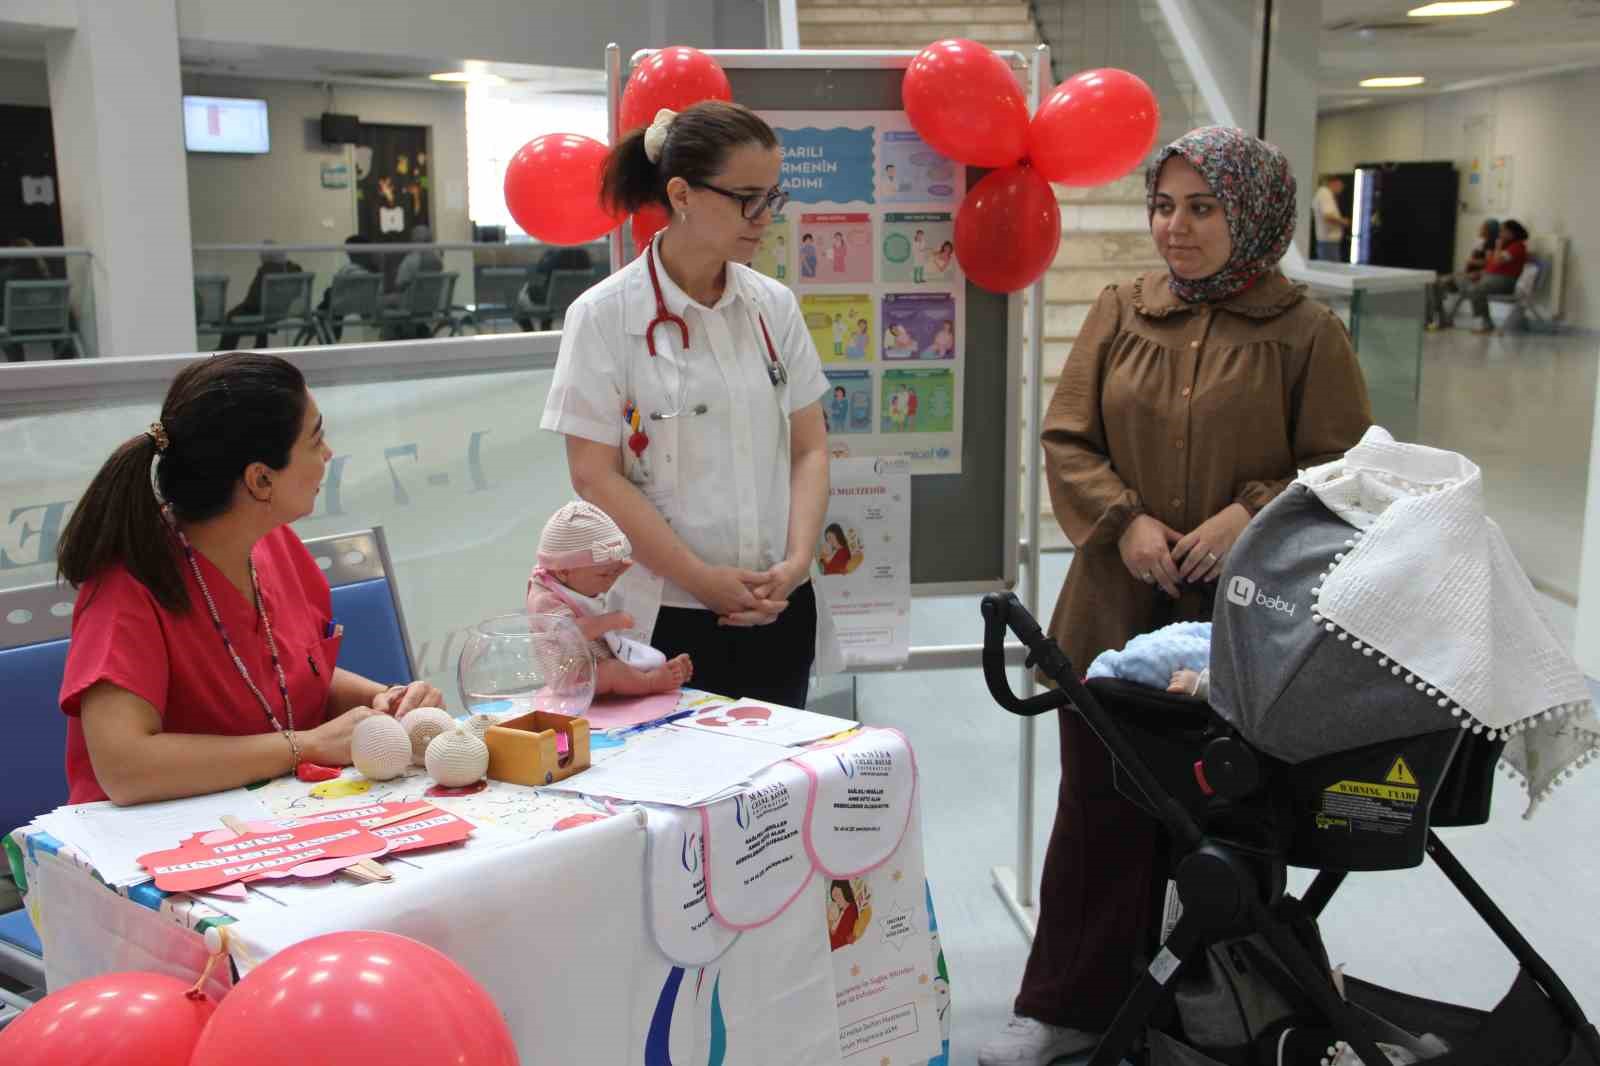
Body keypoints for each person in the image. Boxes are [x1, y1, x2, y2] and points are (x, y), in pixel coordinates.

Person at [978, 127, 1371, 1066]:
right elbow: (1068, 439)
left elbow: (1349, 467)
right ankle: (1072, 1008)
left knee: (1233, 817)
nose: (1175, 227)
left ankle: (1220, 1008)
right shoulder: (1122, 310)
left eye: (1202, 208)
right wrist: (1128, 524)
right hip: (1118, 608)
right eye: (1164, 205)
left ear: (1255, 215)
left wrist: (1252, 513)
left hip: (1249, 624)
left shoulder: (1305, 331)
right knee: (1099, 811)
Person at [541, 101, 836, 710]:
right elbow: (593, 475)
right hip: (669, 620)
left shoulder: (772, 306)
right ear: (682, 194)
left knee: (781, 795)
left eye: (771, 199)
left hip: (780, 607)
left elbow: (808, 446)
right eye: (746, 199)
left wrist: (798, 561)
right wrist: (702, 581)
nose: (764, 218)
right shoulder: (603, 317)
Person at [53, 352, 444, 806]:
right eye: (315, 440)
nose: (328, 454)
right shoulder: (130, 585)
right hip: (154, 847)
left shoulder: (275, 545)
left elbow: (291, 671)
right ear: (260, 479)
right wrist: (308, 745)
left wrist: (388, 701)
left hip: (278, 814)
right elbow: (125, 768)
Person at [526, 500, 693, 695]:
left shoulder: (570, 579)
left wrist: (614, 568)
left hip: (594, 660)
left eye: (615, 573)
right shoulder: (544, 600)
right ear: (563, 571)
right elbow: (568, 634)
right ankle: (651, 682)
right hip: (572, 675)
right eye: (604, 575)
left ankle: (659, 669)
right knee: (613, 671)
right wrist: (608, 621)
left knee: (627, 660)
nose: (610, 582)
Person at [1444, 218, 1529, 335]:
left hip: (1504, 282)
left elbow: (1498, 261)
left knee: (1475, 290)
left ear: (1511, 233)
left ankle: (1484, 324)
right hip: (1487, 278)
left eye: (1503, 231)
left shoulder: (1518, 247)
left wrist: (1498, 246)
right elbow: (1491, 266)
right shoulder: (1505, 247)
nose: (1500, 234)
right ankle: (1442, 317)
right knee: (1448, 281)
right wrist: (1474, 274)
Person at [217, 243, 304, 350]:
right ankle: (260, 347)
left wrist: (244, 306)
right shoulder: (294, 270)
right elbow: (298, 293)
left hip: (262, 313)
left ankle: (224, 351)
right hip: (280, 312)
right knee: (258, 314)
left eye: (262, 257)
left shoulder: (265, 270)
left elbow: (253, 299)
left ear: (267, 258)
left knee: (233, 317)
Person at [1, 238, 73, 361]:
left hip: (14, 327)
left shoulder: (4, 275)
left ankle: (17, 362)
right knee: (67, 316)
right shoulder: (45, 275)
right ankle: (64, 360)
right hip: (46, 324)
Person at [1426, 218, 1499, 330]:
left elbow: (1488, 263)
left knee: (1436, 283)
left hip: (1473, 279)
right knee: (1436, 284)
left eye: (1483, 227)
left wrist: (1471, 262)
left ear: (1488, 230)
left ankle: (1438, 318)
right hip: (1467, 276)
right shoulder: (1482, 243)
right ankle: (1441, 317)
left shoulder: (1490, 244)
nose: (1480, 228)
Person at [311, 235, 379, 343]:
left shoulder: (347, 271)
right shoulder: (373, 271)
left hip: (341, 307)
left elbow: (334, 292)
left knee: (327, 303)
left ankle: (328, 338)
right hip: (361, 308)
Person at [517, 244, 596, 332]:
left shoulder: (557, 256)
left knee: (519, 310)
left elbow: (541, 269)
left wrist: (548, 254)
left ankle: (532, 335)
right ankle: (545, 328)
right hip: (576, 300)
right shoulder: (584, 255)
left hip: (552, 300)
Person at [1312, 174, 1349, 261]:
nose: (1341, 189)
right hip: (1328, 241)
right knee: (1330, 270)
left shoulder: (1324, 193)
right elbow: (1328, 217)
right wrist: (1344, 221)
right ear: (1334, 183)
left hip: (1328, 241)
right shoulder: (1325, 193)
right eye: (1341, 185)